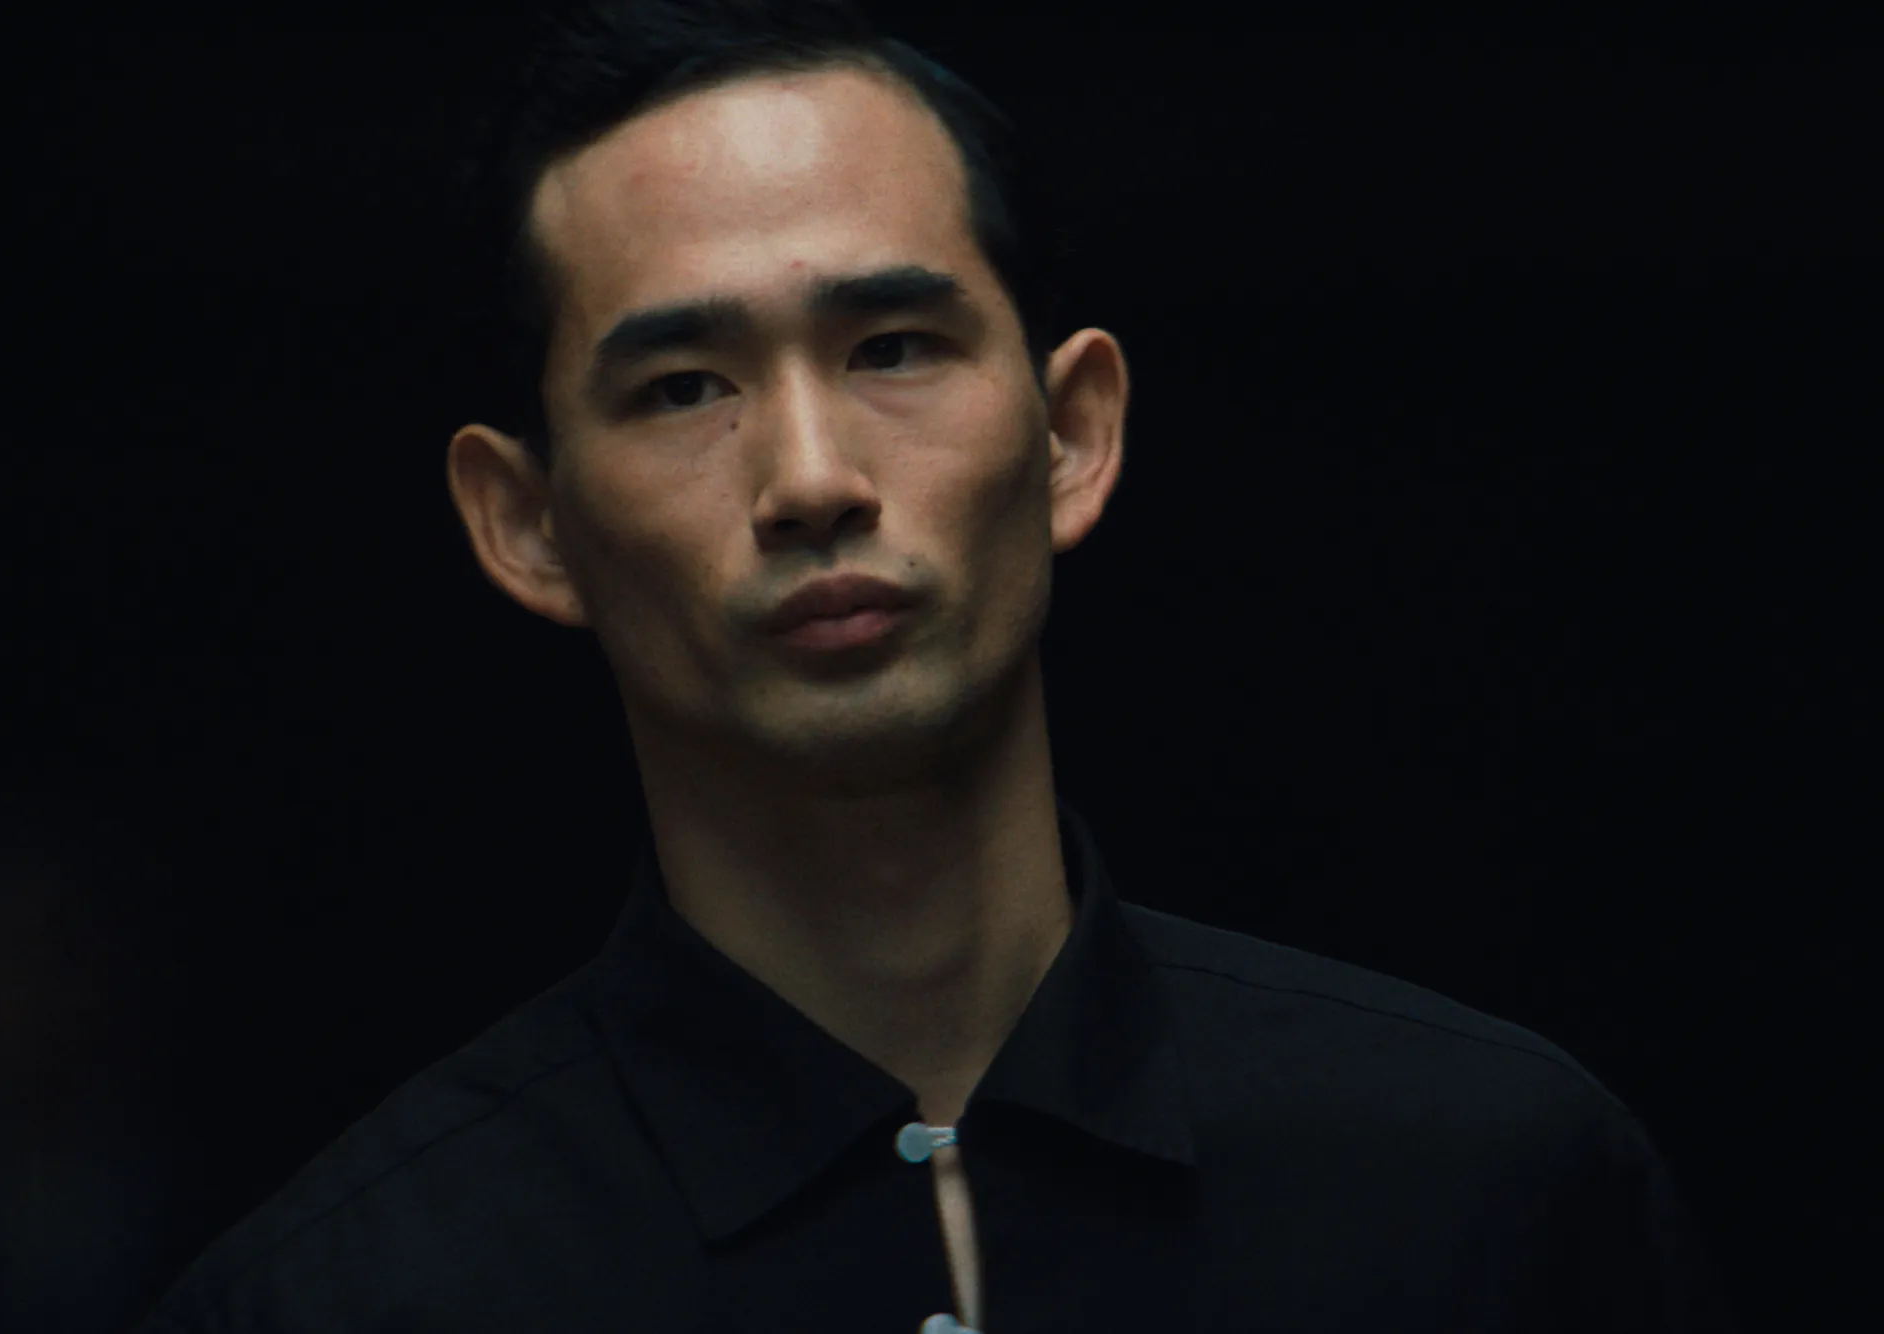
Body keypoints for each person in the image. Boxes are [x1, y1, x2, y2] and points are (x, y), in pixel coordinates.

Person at [137, 2, 1737, 1329]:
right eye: (684, 385)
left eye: (893, 348)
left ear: (1073, 433)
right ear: (527, 522)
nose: (812, 477)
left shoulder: (1491, 1187)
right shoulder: (349, 1297)